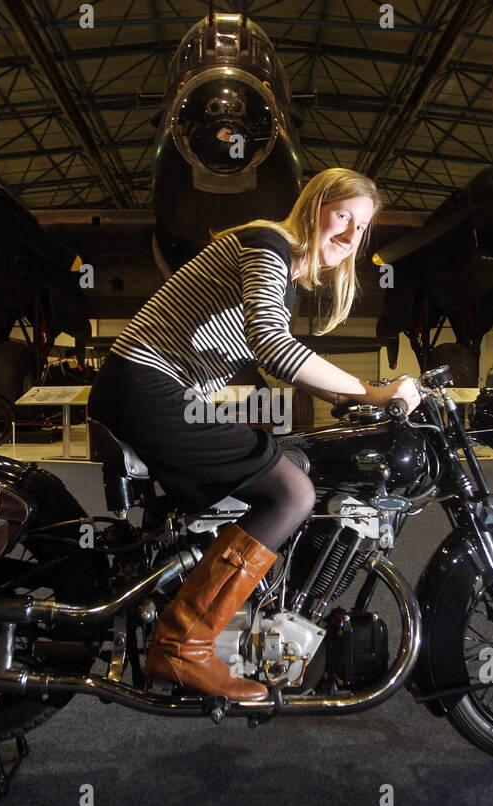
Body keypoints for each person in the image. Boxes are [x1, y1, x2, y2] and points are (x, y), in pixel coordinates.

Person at [87, 167, 420, 702]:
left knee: (291, 461)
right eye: (343, 216)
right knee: (292, 491)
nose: (349, 236)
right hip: (145, 383)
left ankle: (204, 605)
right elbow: (271, 344)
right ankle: (183, 643)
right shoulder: (268, 244)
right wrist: (370, 391)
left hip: (150, 388)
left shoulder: (282, 268)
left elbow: (275, 359)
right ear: (315, 207)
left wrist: (350, 398)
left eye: (362, 228)